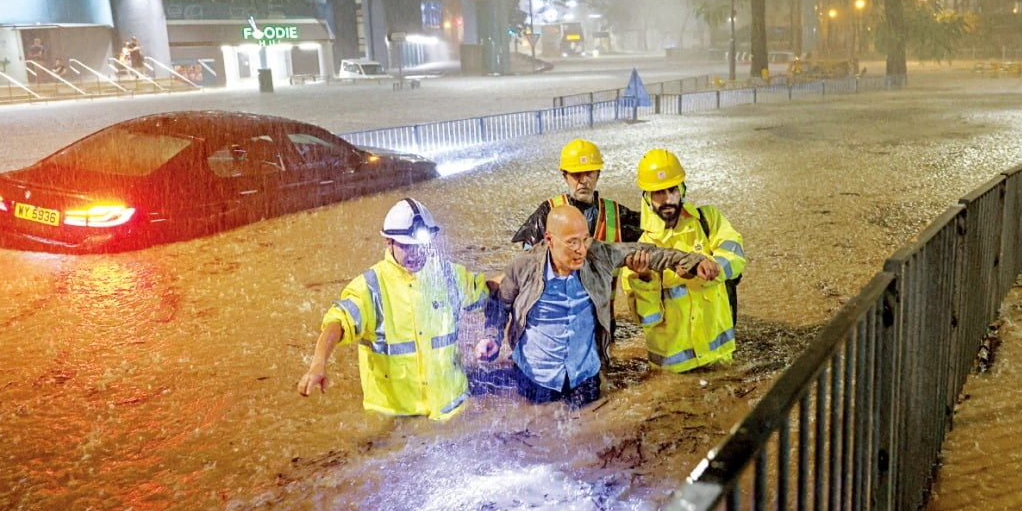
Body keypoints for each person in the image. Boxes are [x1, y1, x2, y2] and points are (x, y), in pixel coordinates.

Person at [477, 205, 717, 408]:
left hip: (585, 378)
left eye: (585, 239)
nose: (582, 249)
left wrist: (693, 262)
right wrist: (492, 337)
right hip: (535, 377)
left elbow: (652, 253)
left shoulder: (598, 255)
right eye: (572, 242)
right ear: (549, 240)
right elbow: (500, 305)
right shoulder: (523, 268)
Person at [297, 198, 490, 420]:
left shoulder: (448, 276)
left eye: (421, 246)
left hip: (452, 410)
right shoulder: (370, 287)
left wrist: (528, 268)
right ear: (388, 242)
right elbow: (336, 324)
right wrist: (318, 365)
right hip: (396, 421)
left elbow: (490, 290)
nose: (415, 253)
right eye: (406, 246)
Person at [621, 149, 746, 373]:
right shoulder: (641, 251)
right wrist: (644, 278)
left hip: (719, 357)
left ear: (683, 189)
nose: (667, 199)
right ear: (647, 198)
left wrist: (713, 266)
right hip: (673, 371)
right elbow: (647, 319)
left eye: (672, 190)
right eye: (658, 193)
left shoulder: (709, 220)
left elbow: (736, 256)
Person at [512, 138, 641, 249]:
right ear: (565, 177)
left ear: (598, 175)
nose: (584, 181)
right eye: (576, 174)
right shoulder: (548, 211)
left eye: (589, 173)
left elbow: (650, 227)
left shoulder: (616, 213)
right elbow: (529, 256)